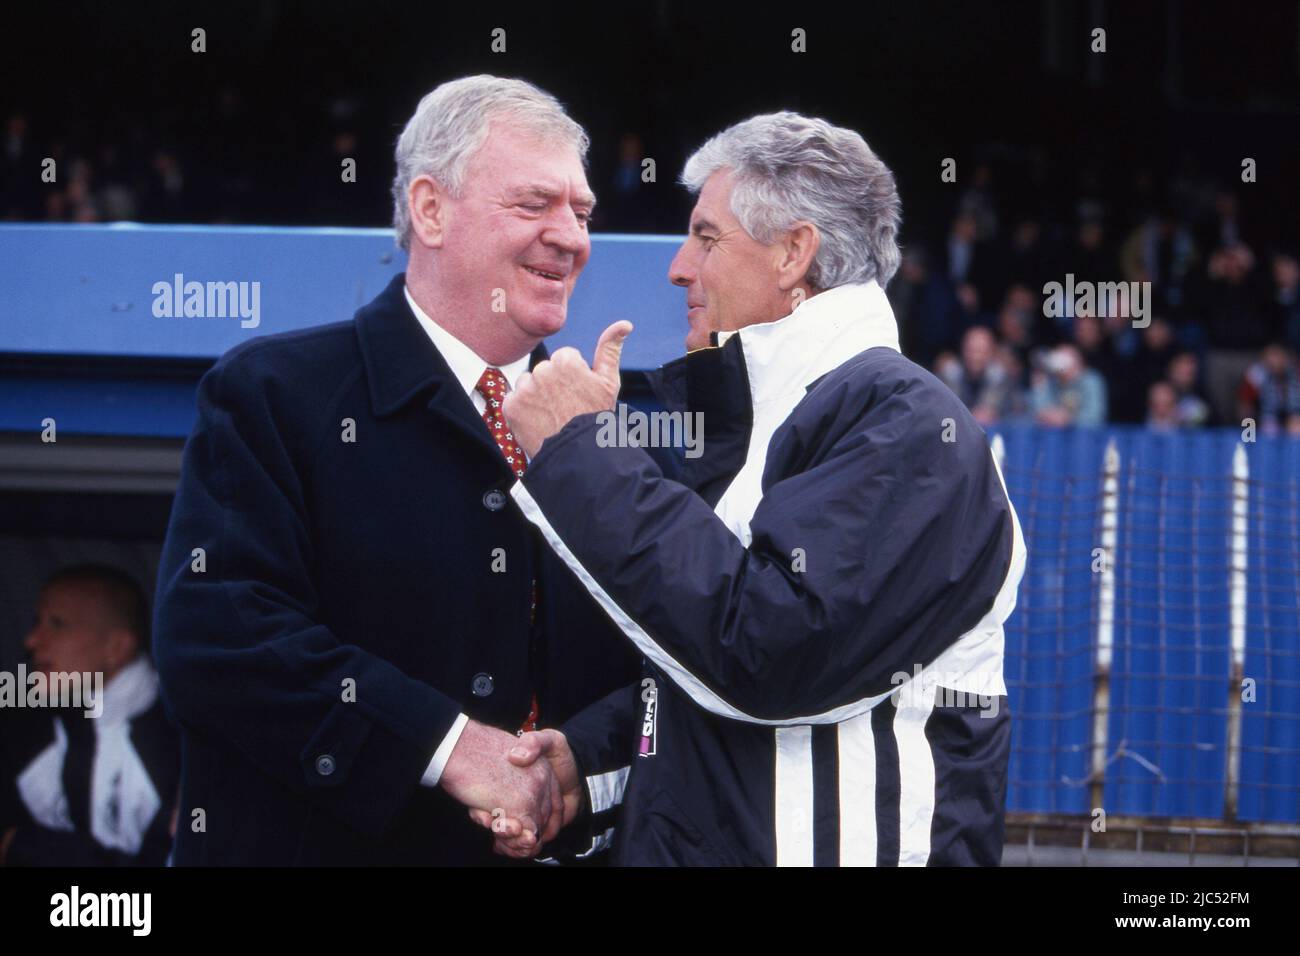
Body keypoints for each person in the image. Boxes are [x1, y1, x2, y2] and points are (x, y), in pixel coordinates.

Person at [485, 112, 1027, 866]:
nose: (678, 266)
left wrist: (581, 455)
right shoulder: (768, 420)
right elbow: (710, 691)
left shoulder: (907, 424)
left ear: (793, 253)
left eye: (706, 238)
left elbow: (771, 658)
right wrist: (590, 767)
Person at [151, 75, 638, 866]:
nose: (572, 236)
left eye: (581, 212)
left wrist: (572, 766)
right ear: (430, 209)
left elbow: (667, 673)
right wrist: (450, 748)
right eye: (533, 204)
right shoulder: (273, 394)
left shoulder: (610, 434)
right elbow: (218, 636)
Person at [0, 566, 178, 866]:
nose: (31, 641)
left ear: (116, 647)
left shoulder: (187, 739)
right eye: (36, 623)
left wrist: (28, 849)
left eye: (56, 625)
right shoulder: (20, 726)